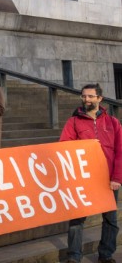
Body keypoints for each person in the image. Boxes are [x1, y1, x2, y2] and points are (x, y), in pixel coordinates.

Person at [60, 84, 122, 263]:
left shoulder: (113, 122)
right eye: (84, 96)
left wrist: (117, 177)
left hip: (108, 179)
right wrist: (82, 147)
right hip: (83, 180)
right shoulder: (73, 122)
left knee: (110, 220)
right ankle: (74, 257)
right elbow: (64, 146)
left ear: (99, 99)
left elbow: (120, 151)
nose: (86, 99)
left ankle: (106, 255)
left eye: (90, 96)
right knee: (76, 221)